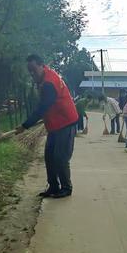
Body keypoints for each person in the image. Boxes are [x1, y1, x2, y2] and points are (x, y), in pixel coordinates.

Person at [16, 54, 79, 198]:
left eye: (33, 70)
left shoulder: (49, 82)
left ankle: (66, 188)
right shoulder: (44, 78)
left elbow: (42, 107)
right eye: (29, 71)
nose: (32, 74)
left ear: (41, 65)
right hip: (54, 124)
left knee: (60, 157)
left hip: (65, 122)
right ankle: (53, 187)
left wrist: (25, 125)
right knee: (49, 156)